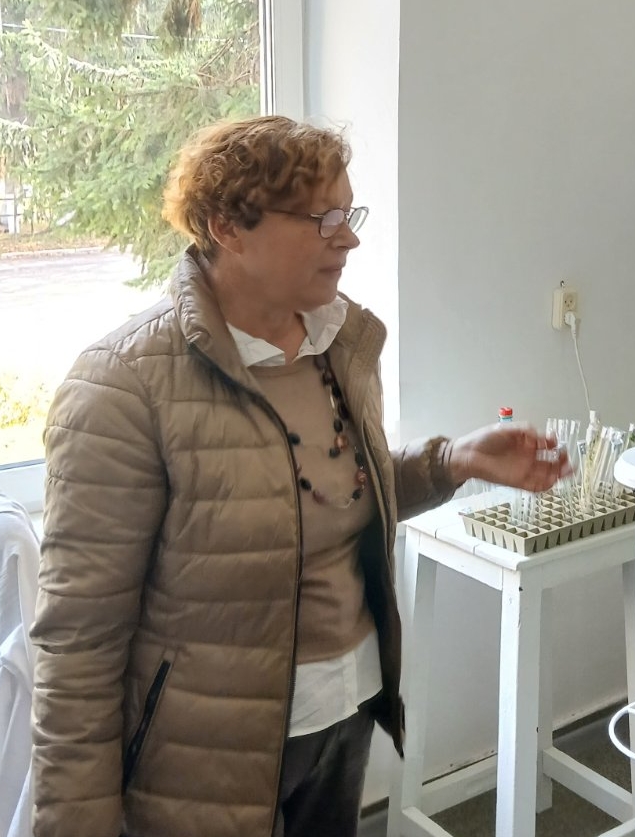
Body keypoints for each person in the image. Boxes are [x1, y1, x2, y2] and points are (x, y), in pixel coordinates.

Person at [29, 115, 569, 837]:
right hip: (204, 757)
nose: (348, 239)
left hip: (345, 714)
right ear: (227, 226)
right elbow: (78, 647)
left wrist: (451, 461)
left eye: (349, 215)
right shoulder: (123, 387)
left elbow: (331, 496)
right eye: (322, 219)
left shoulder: (339, 345)